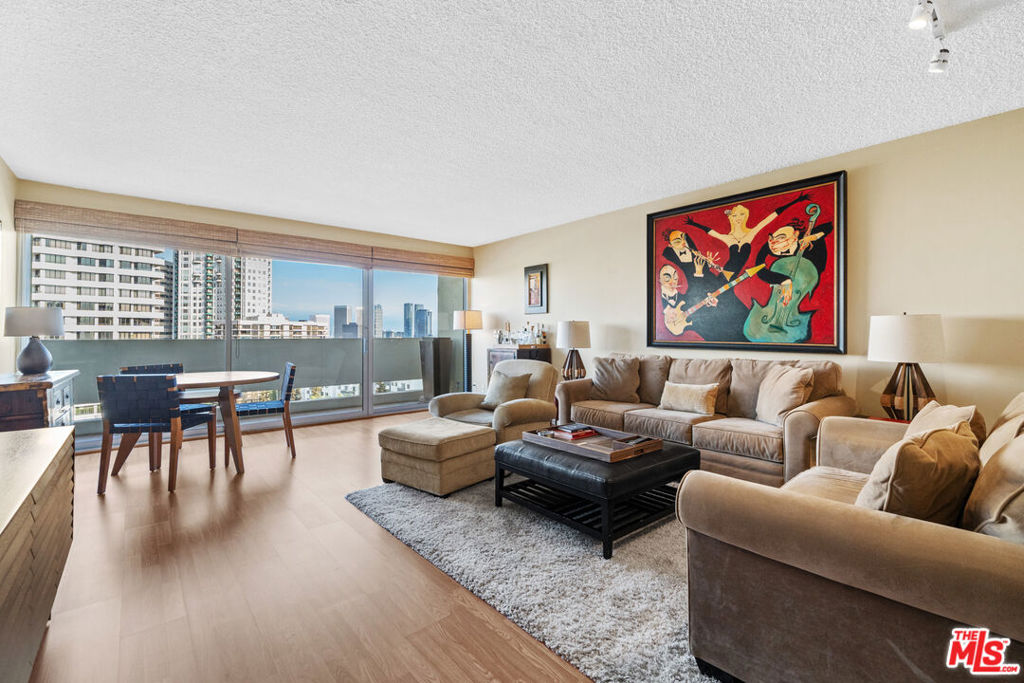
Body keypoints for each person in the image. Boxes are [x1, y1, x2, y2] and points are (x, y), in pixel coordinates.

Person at [684, 192, 811, 277]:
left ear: (746, 216)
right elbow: (710, 231)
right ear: (731, 218)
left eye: (742, 214)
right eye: (735, 215)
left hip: (737, 276)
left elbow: (771, 217)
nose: (738, 218)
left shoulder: (751, 233)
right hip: (725, 274)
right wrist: (693, 223)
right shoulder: (728, 238)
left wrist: (796, 201)